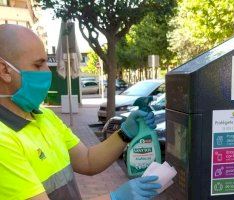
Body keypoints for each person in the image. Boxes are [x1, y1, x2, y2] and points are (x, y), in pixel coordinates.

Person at [0, 24, 161, 200]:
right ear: (4, 70)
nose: (47, 71)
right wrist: (115, 198)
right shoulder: (3, 140)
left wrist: (125, 133)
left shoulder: (45, 117)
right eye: (38, 65)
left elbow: (88, 160)